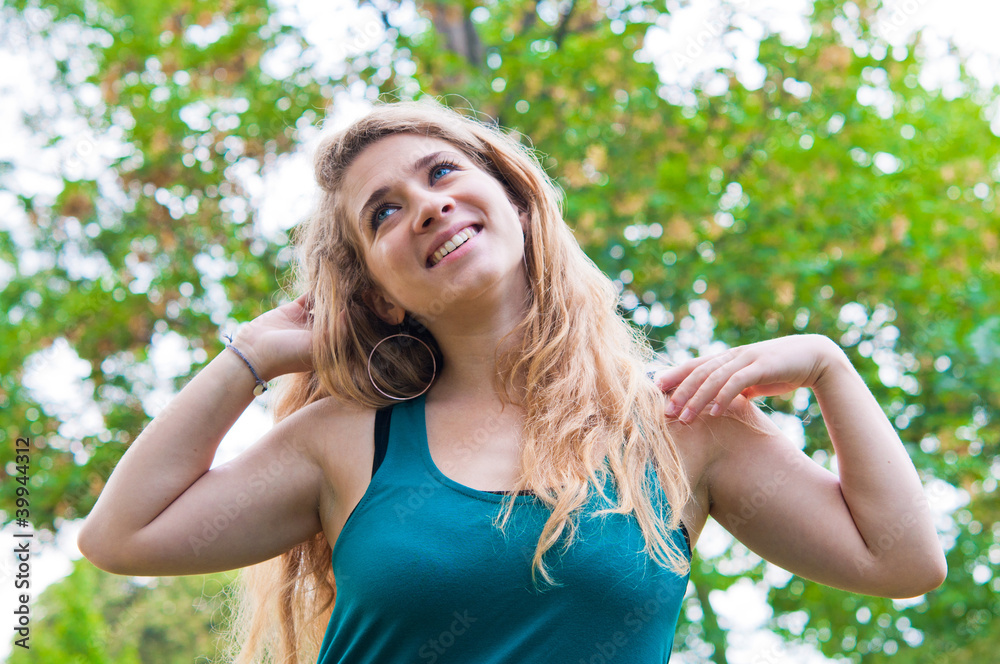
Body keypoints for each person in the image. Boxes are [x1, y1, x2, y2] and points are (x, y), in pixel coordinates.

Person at [78, 99, 946, 663]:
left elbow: (902, 560)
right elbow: (121, 536)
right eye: (385, 212)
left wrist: (830, 367)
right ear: (379, 293)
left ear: (518, 200)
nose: (427, 205)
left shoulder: (683, 422)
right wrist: (248, 360)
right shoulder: (348, 440)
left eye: (442, 172)